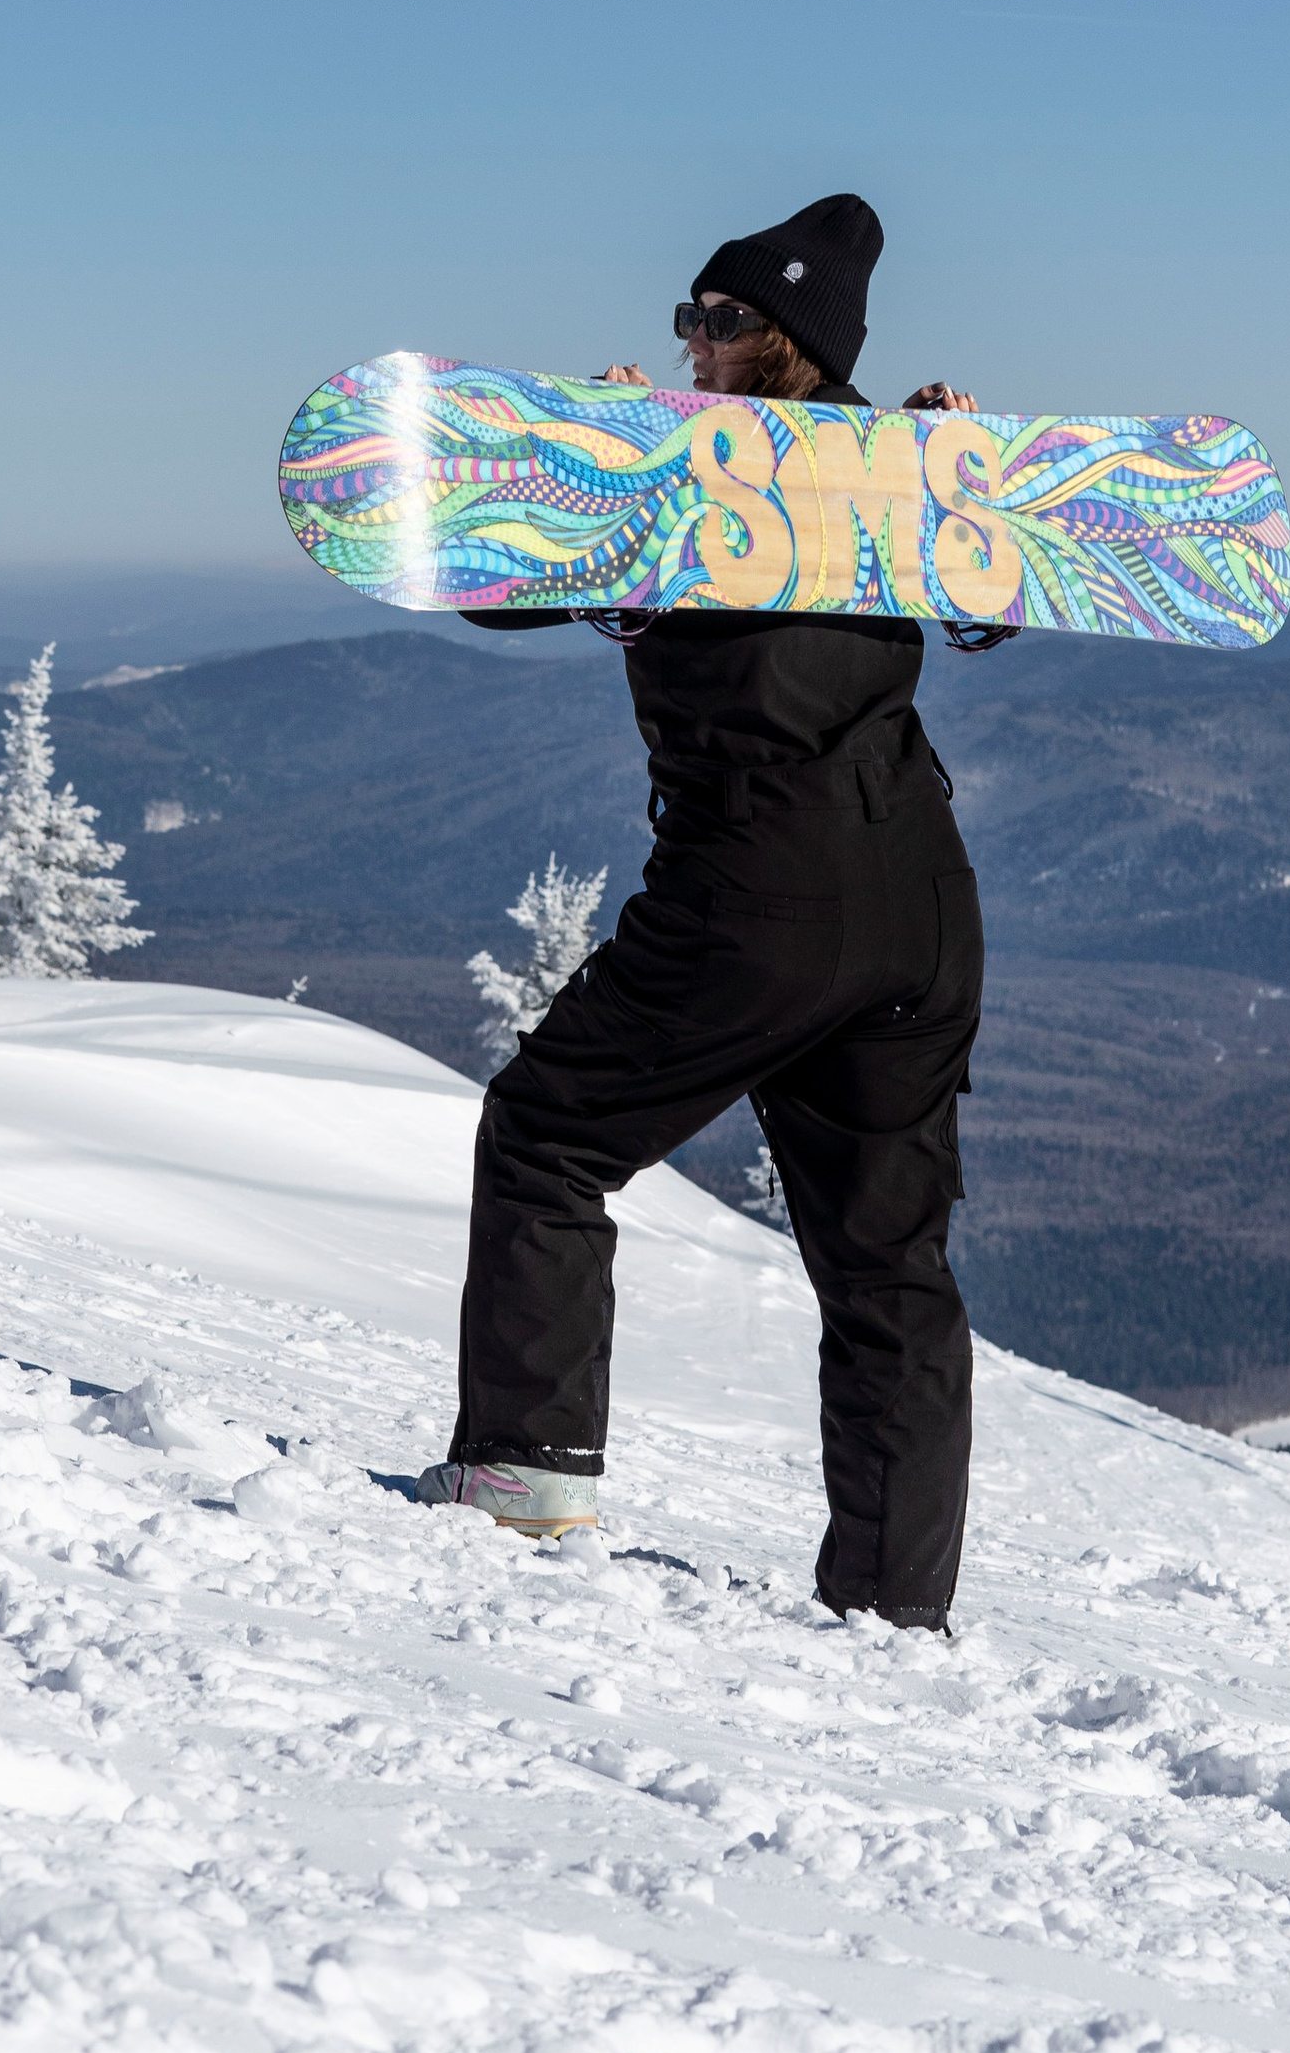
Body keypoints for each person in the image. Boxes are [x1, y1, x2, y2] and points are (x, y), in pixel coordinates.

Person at [417, 192, 994, 1632]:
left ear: (783, 343)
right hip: (924, 900)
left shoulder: (684, 482)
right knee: (889, 1265)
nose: (689, 341)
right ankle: (895, 1602)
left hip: (761, 888)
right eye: (689, 316)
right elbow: (999, 594)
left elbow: (490, 580)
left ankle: (525, 1468)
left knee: (547, 1135)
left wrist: (591, 468)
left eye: (717, 320)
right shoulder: (886, 476)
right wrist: (954, 466)